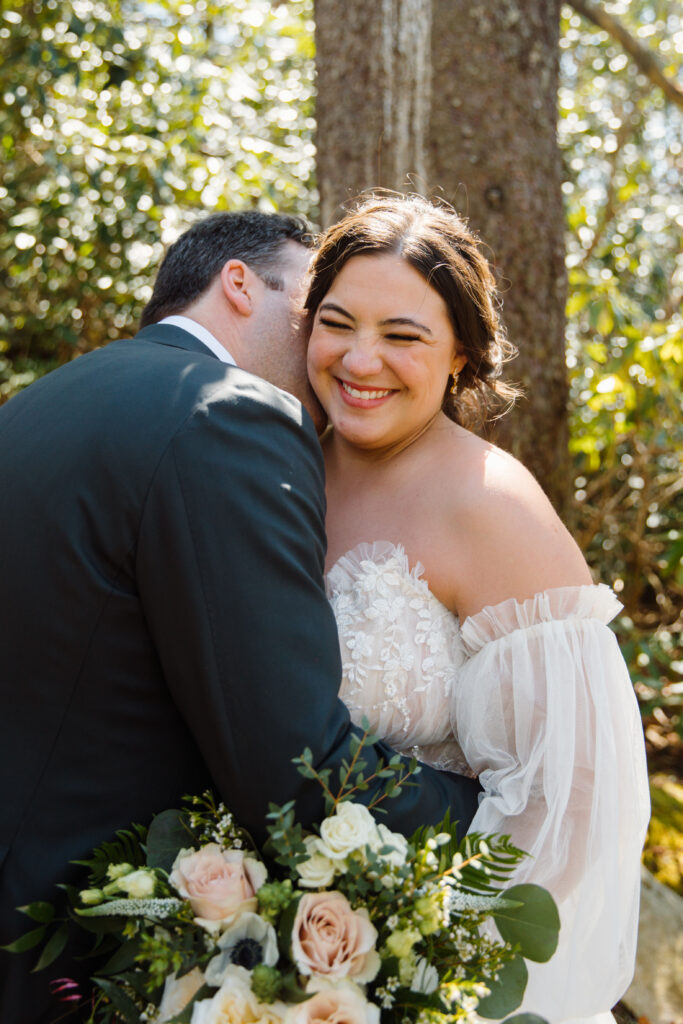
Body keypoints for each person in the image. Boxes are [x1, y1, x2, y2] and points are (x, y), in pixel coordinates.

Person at [0, 210, 482, 1024]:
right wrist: (487, 814)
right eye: (320, 306)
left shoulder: (45, 402)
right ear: (237, 284)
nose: (338, 346)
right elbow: (293, 763)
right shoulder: (230, 412)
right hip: (63, 957)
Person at [304, 194, 651, 1024]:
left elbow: (573, 792)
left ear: (460, 352)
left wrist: (429, 961)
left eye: (402, 336)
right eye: (336, 322)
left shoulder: (490, 506)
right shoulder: (281, 466)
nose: (360, 360)